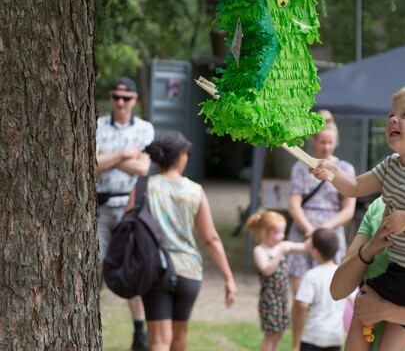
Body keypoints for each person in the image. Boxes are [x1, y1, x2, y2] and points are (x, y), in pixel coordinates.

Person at [313, 86, 405, 350]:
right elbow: (356, 187)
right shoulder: (393, 164)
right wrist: (333, 172)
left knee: (366, 308)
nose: (393, 119)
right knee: (366, 314)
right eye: (391, 114)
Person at [136, 131, 238, 350]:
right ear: (181, 156)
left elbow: (129, 226)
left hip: (156, 269)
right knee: (179, 340)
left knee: (158, 341)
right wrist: (228, 278)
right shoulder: (195, 191)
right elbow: (210, 238)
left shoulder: (144, 187)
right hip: (188, 272)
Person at [96, 76, 155, 350]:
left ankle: (139, 330)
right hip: (101, 206)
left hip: (130, 208)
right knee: (95, 265)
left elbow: (143, 168)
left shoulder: (144, 129)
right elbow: (93, 163)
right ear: (111, 98)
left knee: (133, 267)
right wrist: (124, 154)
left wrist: (109, 158)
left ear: (135, 100)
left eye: (126, 98)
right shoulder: (97, 125)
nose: (120, 102)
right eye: (116, 97)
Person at [287, 110, 356, 294]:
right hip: (304, 231)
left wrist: (323, 229)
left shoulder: (345, 168)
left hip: (330, 233)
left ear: (336, 143)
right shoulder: (301, 167)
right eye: (323, 142)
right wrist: (310, 230)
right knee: (301, 293)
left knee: (329, 290)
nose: (327, 147)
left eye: (330, 143)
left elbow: (348, 210)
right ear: (314, 141)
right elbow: (294, 204)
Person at [247, 210, 307, 351]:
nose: (281, 236)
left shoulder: (281, 246)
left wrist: (314, 235)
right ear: (264, 232)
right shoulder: (260, 251)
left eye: (282, 232)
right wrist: (280, 253)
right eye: (276, 232)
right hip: (270, 300)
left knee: (279, 332)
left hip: (281, 298)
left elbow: (304, 247)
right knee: (271, 334)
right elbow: (267, 269)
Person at [292, 228, 349, 351]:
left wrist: (296, 341)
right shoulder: (342, 274)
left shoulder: (312, 275)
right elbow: (354, 299)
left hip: (313, 336)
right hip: (335, 337)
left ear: (315, 251)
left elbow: (301, 304)